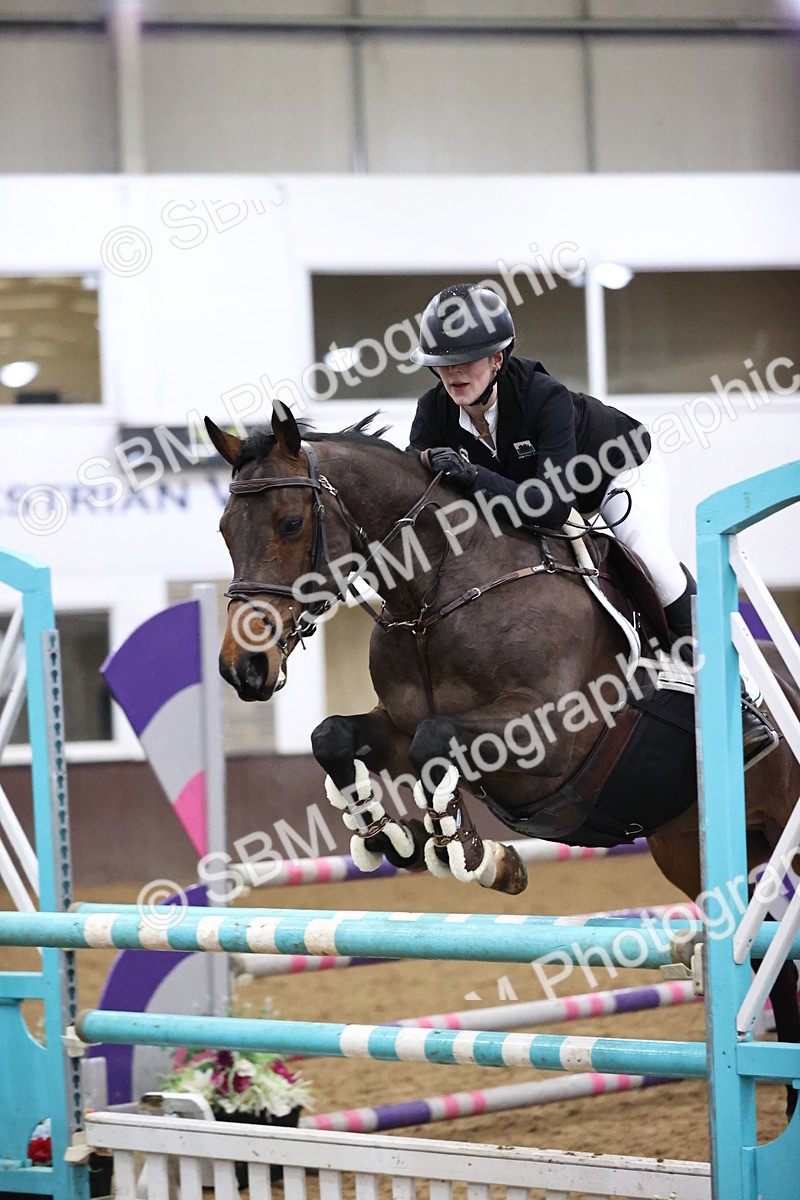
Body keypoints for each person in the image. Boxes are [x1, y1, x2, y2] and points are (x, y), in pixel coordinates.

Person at [408, 281, 777, 766]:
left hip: (616, 473)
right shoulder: (432, 412)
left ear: (498, 359)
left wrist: (472, 473)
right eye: (443, 361)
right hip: (533, 495)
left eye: (468, 358)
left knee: (652, 562)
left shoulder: (544, 397)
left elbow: (554, 509)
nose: (454, 371)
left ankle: (738, 698)